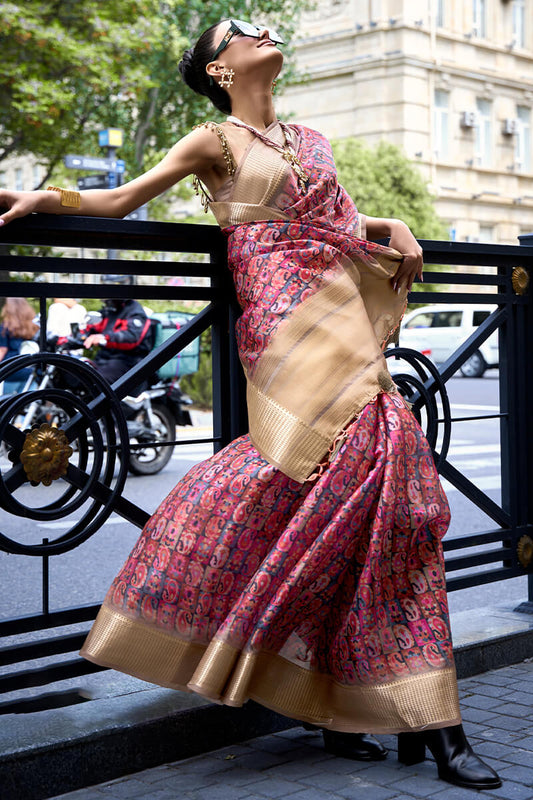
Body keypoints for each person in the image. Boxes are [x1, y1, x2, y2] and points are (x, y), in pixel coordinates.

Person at [0, 19, 501, 790]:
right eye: (239, 30)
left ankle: (402, 714)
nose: (259, 29)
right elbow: (125, 196)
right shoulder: (214, 142)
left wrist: (386, 223)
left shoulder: (312, 137)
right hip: (282, 324)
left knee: (387, 505)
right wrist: (47, 196)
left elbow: (335, 220)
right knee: (308, 482)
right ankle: (373, 707)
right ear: (218, 68)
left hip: (339, 306)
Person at [83, 298, 152, 384]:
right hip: (104, 359)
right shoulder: (109, 311)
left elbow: (131, 337)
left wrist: (104, 338)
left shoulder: (135, 313)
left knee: (94, 381)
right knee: (79, 373)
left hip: (127, 361)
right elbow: (90, 328)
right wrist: (74, 337)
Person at [0, 297, 39, 394]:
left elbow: (2, 350)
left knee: (8, 404)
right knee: (26, 403)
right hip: (30, 369)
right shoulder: (34, 326)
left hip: (11, 370)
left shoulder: (5, 327)